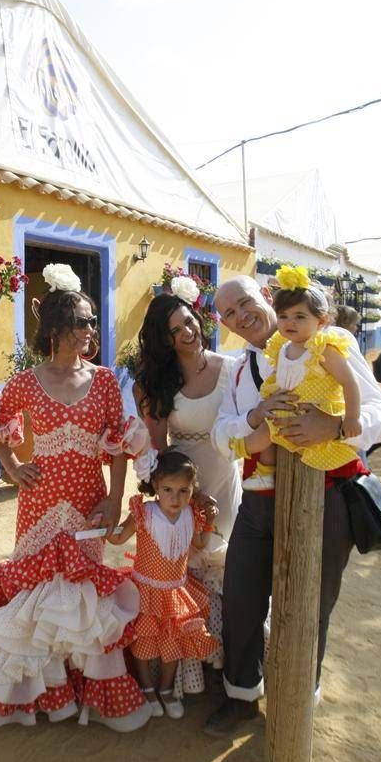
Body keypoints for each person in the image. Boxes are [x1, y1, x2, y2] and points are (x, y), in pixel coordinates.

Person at [0, 263, 153, 731]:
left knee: (82, 592)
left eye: (92, 321)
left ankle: (81, 683)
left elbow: (118, 441)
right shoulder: (26, 381)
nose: (91, 330)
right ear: (54, 329)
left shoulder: (106, 380)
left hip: (88, 501)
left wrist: (114, 497)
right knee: (37, 589)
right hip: (39, 502)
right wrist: (11, 467)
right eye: (82, 322)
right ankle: (34, 691)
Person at [205, 275, 381, 737]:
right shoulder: (240, 369)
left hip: (325, 496)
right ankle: (242, 696)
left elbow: (378, 409)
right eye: (228, 312)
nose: (240, 316)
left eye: (245, 303)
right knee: (242, 599)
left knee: (311, 605)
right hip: (261, 503)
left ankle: (297, 707)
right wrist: (253, 424)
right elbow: (220, 431)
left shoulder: (333, 339)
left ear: (265, 297)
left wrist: (337, 426)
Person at [133, 287, 243, 695]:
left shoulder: (231, 368)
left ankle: (231, 661)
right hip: (183, 489)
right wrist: (190, 496)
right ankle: (190, 669)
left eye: (189, 320)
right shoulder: (155, 383)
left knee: (229, 566)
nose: (188, 331)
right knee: (186, 569)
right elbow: (159, 446)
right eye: (175, 329)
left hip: (225, 481)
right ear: (163, 340)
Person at [106, 450, 220, 720]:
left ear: (192, 490)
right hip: (144, 592)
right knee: (144, 644)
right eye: (168, 489)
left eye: (183, 491)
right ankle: (146, 688)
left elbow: (200, 544)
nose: (175, 497)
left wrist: (209, 523)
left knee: (173, 645)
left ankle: (166, 689)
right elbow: (120, 538)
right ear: (156, 486)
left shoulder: (192, 514)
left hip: (176, 593)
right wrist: (106, 527)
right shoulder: (144, 512)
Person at [240, 265, 362, 491]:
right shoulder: (282, 346)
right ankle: (251, 459)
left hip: (315, 416)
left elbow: (349, 382)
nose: (289, 323)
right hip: (288, 411)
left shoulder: (323, 348)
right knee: (266, 432)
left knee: (311, 471)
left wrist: (352, 418)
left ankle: (242, 449)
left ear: (321, 321)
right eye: (283, 316)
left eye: (299, 316)